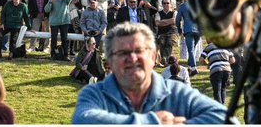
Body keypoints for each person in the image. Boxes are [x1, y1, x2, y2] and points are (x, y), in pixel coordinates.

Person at [72, 23, 227, 124]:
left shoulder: (177, 92)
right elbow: (83, 120)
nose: (132, 58)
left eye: (139, 51)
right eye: (122, 52)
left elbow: (225, 118)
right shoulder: (94, 93)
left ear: (153, 58)